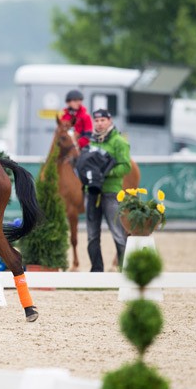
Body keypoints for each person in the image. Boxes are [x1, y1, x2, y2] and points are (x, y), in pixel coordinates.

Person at [84, 109, 131, 272]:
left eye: (103, 120)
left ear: (109, 121)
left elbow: (126, 166)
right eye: (96, 121)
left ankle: (124, 269)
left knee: (117, 233)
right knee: (91, 235)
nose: (99, 123)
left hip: (111, 193)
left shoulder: (119, 141)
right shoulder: (91, 142)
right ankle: (96, 270)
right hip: (92, 193)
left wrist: (106, 174)